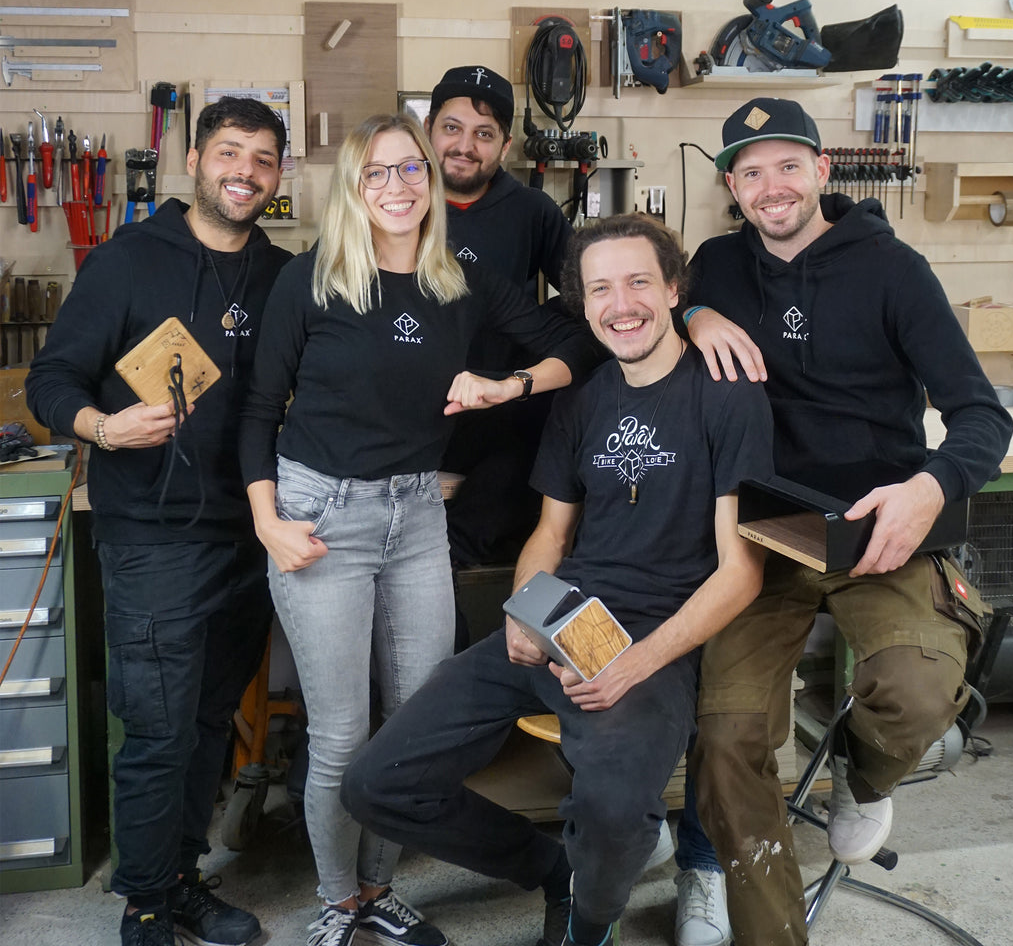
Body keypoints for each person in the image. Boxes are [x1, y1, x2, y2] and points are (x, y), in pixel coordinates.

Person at [341, 213, 775, 946]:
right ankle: (550, 869)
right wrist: (522, 611)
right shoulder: (582, 399)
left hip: (661, 643)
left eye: (639, 281)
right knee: (376, 783)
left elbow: (742, 573)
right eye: (601, 288)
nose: (622, 304)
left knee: (610, 810)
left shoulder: (728, 397)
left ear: (674, 289)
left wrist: (635, 663)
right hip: (565, 618)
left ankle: (590, 921)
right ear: (582, 303)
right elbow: (551, 534)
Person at [238, 112, 591, 946]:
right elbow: (257, 411)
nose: (397, 188)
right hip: (319, 513)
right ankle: (337, 904)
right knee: (342, 733)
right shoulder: (312, 280)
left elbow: (575, 344)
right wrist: (267, 524)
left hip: (417, 516)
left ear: (431, 181)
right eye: (377, 174)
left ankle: (378, 888)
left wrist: (507, 387)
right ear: (353, 189)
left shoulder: (458, 278)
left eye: (411, 171)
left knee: (417, 726)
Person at [679, 97, 1013, 946]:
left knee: (914, 693)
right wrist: (695, 313)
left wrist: (930, 488)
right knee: (726, 739)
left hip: (880, 528)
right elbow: (653, 296)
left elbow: (981, 415)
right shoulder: (717, 264)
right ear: (731, 186)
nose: (771, 186)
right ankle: (756, 911)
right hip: (760, 531)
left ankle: (863, 783)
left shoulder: (894, 270)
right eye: (750, 172)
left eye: (788, 164)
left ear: (823, 170)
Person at [26, 97, 292, 946]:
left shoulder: (284, 274)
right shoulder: (127, 262)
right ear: (194, 161)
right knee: (160, 729)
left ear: (278, 175)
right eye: (228, 152)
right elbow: (51, 381)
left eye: (261, 158)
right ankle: (144, 905)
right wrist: (104, 427)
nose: (243, 171)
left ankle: (181, 881)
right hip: (150, 534)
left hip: (246, 533)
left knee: (211, 723)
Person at [425, 65, 577, 568]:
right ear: (428, 130)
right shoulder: (396, 201)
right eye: (452, 127)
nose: (465, 145)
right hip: (413, 416)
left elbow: (590, 299)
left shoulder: (532, 211)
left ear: (505, 146)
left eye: (483, 134)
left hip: (501, 411)